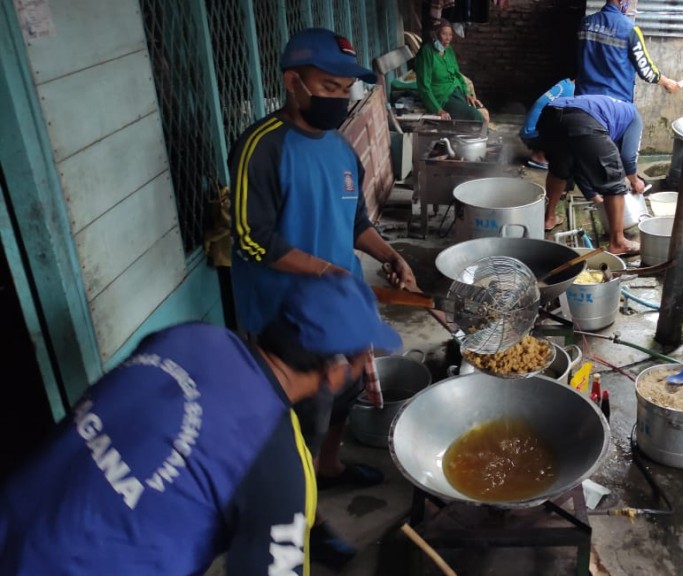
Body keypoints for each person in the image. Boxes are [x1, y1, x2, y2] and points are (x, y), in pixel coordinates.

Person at [0, 274, 401, 575]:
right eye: (360, 357)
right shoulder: (277, 463)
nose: (362, 366)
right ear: (334, 371)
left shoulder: (189, 336)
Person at [228, 27, 418, 568]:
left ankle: (331, 469)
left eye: (345, 89)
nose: (339, 98)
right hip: (285, 317)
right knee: (298, 427)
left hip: (339, 306)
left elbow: (355, 222)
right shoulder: (262, 145)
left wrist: (389, 256)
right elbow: (250, 236)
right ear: (294, 83)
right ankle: (303, 523)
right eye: (328, 86)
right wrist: (323, 268)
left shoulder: (339, 150)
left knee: (347, 388)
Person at [536, 94, 645, 255]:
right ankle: (618, 242)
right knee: (614, 181)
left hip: (550, 115)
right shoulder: (634, 118)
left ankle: (549, 218)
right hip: (583, 120)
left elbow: (580, 163)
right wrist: (635, 181)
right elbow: (628, 158)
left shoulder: (610, 110)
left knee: (560, 169)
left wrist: (593, 195)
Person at [577, 0, 682, 102]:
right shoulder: (630, 29)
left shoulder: (585, 23)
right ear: (622, 1)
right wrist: (667, 82)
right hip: (615, 102)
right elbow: (646, 70)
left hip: (582, 98)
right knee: (637, 121)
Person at [414, 19, 490, 123]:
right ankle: (476, 139)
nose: (448, 38)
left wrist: (467, 93)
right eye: (444, 34)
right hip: (443, 97)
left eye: (450, 34)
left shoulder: (448, 50)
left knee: (481, 111)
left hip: (457, 92)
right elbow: (424, 86)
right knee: (475, 116)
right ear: (435, 35)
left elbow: (457, 74)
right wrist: (438, 110)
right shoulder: (427, 52)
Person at [520, 77, 575, 170]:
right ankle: (541, 157)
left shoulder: (565, 84)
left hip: (529, 133)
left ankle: (539, 154)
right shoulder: (574, 92)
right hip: (535, 136)